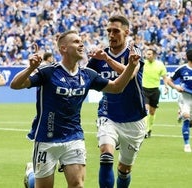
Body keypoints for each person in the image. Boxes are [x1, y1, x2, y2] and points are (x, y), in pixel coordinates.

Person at [10, 30, 140, 188]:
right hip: (46, 138)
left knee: (77, 185)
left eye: (82, 41)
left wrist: (131, 66)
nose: (82, 44)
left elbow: (116, 87)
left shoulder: (88, 75)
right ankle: (31, 174)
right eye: (76, 42)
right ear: (64, 48)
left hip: (74, 137)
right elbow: (15, 85)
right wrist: (30, 69)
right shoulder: (49, 72)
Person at [87, 15, 147, 188]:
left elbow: (130, 74)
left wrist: (106, 59)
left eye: (116, 31)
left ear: (126, 32)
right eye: (108, 31)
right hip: (108, 114)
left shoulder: (134, 52)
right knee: (106, 155)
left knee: (124, 169)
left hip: (135, 118)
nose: (111, 35)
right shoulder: (100, 56)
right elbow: (83, 77)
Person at [167, 48, 192, 152]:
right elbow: (169, 80)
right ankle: (187, 144)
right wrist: (176, 87)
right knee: (187, 118)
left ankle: (181, 113)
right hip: (185, 98)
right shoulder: (182, 69)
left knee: (190, 121)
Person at [142, 48, 169, 138]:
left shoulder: (160, 65)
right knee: (146, 110)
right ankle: (145, 130)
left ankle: (149, 129)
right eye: (147, 54)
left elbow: (165, 77)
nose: (147, 56)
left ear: (154, 55)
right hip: (144, 89)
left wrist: (166, 86)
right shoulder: (143, 63)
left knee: (152, 112)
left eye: (149, 54)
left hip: (155, 91)